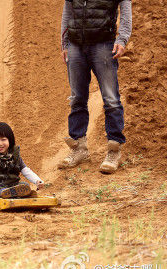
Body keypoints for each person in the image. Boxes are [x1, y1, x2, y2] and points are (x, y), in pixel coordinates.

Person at [59, 0, 132, 174]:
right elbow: (67, 13)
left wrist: (122, 39)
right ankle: (79, 149)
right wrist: (65, 44)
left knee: (111, 99)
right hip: (76, 45)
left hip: (104, 44)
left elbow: (126, 9)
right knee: (77, 98)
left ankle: (114, 151)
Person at [0, 122, 44, 199]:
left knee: (25, 185)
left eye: (3, 139)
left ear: (10, 140)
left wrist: (37, 180)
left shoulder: (14, 154)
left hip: (11, 185)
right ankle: (6, 193)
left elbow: (25, 170)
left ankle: (15, 193)